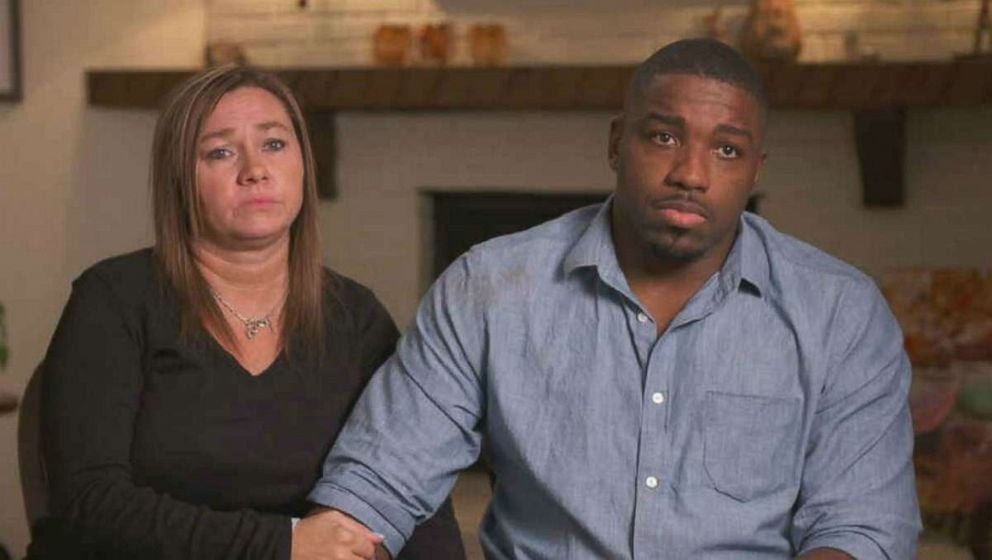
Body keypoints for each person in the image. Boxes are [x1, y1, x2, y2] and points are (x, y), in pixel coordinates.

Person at [299, 39, 921, 559]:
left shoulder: (840, 312)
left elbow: (860, 526)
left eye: (726, 150)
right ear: (617, 142)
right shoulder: (487, 287)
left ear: (755, 170)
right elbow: (380, 483)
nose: (691, 174)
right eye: (664, 137)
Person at [30, 65, 465, 560]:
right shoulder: (113, 298)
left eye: (274, 144)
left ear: (303, 164)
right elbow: (88, 500)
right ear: (179, 180)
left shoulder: (355, 315)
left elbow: (414, 486)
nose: (255, 169)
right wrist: (284, 544)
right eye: (220, 152)